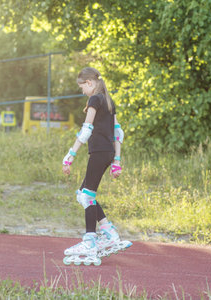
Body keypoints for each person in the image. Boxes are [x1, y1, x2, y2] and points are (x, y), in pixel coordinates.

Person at [62, 67, 131, 266]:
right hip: (108, 152)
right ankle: (109, 232)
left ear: (90, 83)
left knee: (87, 195)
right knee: (82, 193)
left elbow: (87, 129)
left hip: (99, 151)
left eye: (82, 86)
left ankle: (90, 240)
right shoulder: (109, 101)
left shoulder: (95, 100)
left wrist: (70, 154)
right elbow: (119, 133)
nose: (82, 91)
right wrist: (116, 160)